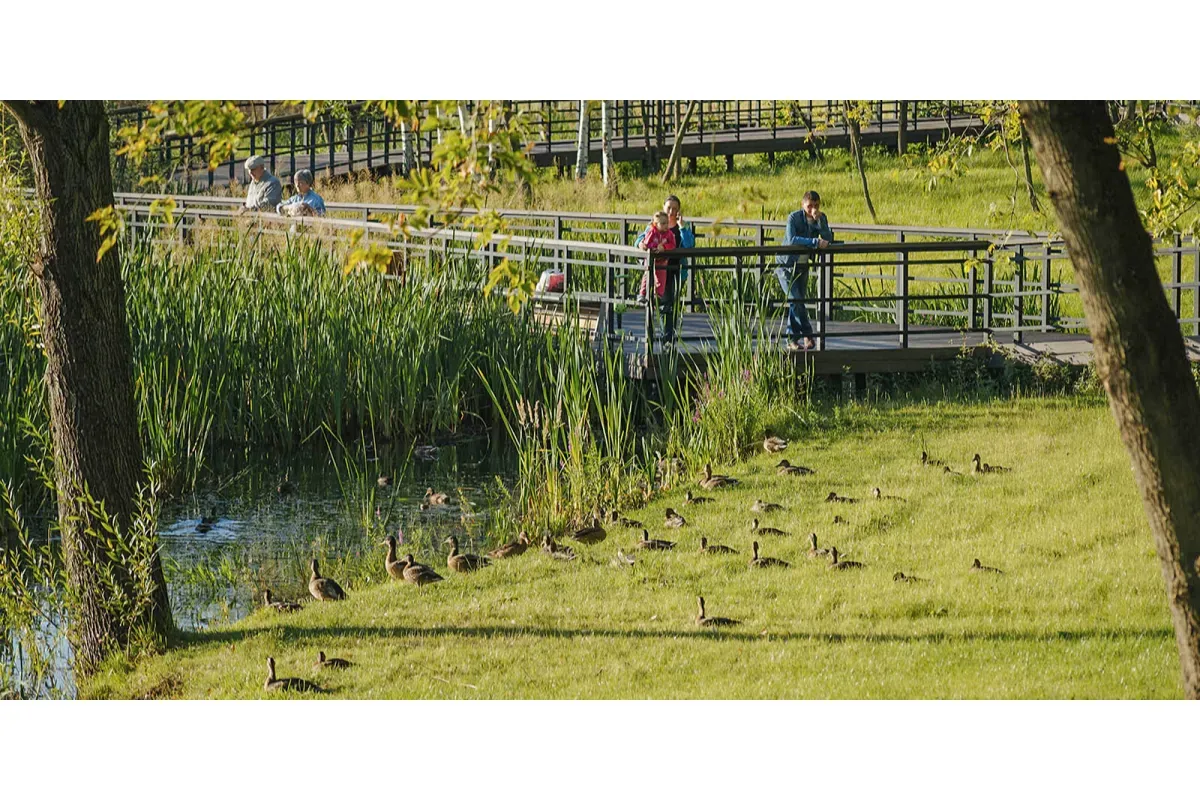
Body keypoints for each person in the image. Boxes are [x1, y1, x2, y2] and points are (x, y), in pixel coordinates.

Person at [774, 190, 833, 351]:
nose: (813, 209)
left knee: (798, 301)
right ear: (803, 205)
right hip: (786, 264)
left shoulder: (821, 218)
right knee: (795, 299)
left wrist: (820, 222)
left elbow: (828, 238)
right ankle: (797, 337)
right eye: (809, 206)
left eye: (816, 205)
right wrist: (814, 241)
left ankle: (802, 336)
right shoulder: (794, 218)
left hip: (803, 265)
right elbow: (792, 239)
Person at [635, 195, 694, 344]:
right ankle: (663, 336)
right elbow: (639, 240)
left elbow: (689, 246)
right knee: (661, 302)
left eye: (675, 209)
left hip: (674, 269)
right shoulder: (653, 226)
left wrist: (682, 227)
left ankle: (668, 335)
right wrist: (642, 244)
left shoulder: (682, 228)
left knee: (669, 303)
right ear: (663, 208)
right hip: (658, 269)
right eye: (669, 208)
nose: (672, 211)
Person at [637, 211, 677, 300]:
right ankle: (642, 294)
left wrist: (664, 247)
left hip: (662, 259)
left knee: (661, 277)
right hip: (651, 258)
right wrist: (653, 247)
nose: (666, 225)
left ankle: (658, 295)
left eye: (667, 223)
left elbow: (673, 245)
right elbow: (647, 243)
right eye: (663, 223)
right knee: (647, 275)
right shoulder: (652, 232)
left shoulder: (669, 234)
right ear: (655, 224)